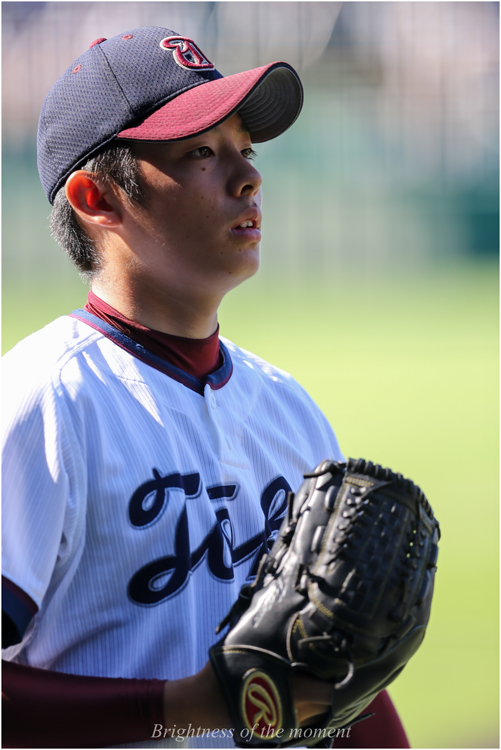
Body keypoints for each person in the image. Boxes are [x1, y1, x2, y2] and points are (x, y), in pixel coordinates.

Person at [2, 27, 410, 749]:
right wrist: (187, 704)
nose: (247, 178)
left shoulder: (287, 407)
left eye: (244, 150)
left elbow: (333, 690)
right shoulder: (42, 402)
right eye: (200, 153)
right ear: (96, 197)